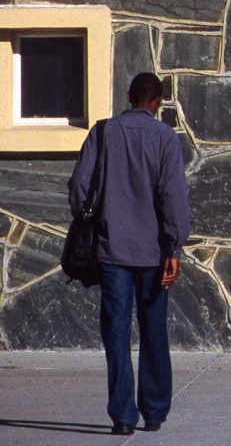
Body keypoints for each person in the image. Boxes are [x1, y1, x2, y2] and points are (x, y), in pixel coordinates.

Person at [68, 72, 190, 436]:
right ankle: (154, 411)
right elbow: (173, 198)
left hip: (111, 251)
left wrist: (87, 217)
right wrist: (174, 246)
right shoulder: (166, 138)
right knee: (155, 330)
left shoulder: (102, 133)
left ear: (128, 97)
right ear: (159, 101)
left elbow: (79, 188)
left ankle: (122, 415)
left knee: (116, 331)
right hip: (154, 254)